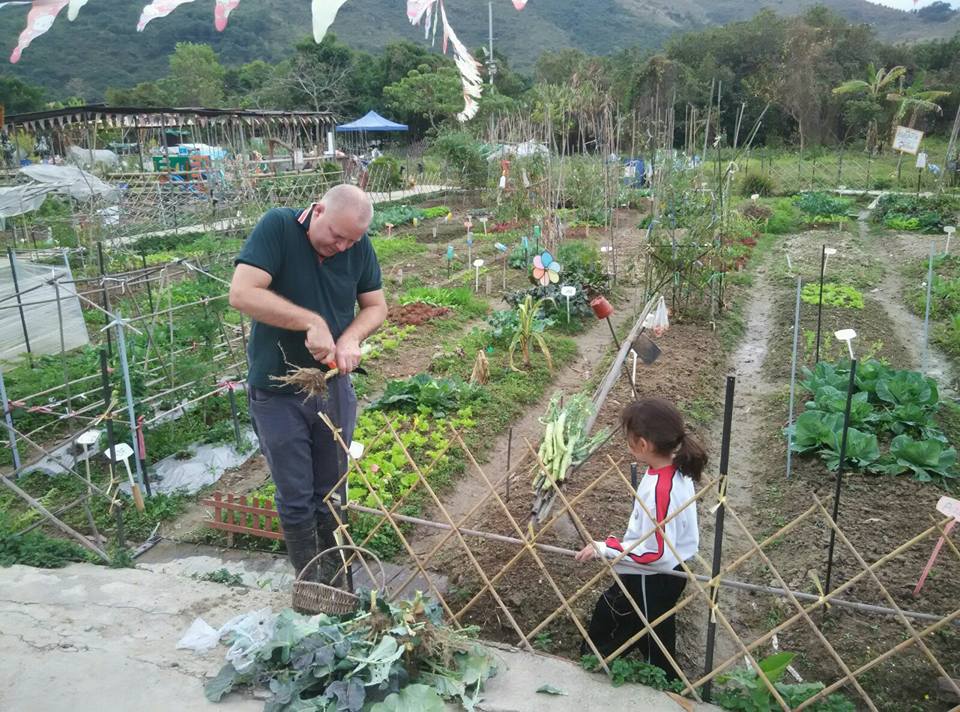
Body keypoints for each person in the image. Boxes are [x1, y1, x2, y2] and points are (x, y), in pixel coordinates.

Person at [229, 184, 388, 581]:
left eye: (352, 240)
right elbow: (242, 292)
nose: (343, 247)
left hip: (332, 387)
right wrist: (311, 321)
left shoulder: (357, 246)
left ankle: (337, 579)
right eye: (337, 235)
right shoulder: (278, 227)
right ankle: (310, 581)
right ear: (317, 211)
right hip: (277, 391)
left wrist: (350, 337)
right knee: (296, 497)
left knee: (332, 493)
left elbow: (376, 306)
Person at [575, 398, 706, 679]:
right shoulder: (672, 470)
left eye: (628, 439)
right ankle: (642, 669)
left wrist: (608, 548)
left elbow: (657, 551)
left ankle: (652, 676)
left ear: (643, 445)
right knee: (646, 622)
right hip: (664, 572)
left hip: (652, 574)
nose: (627, 443)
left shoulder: (662, 490)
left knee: (634, 622)